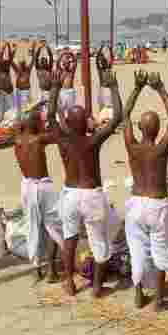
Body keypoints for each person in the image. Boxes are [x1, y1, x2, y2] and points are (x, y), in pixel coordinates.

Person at [50, 65, 123, 298]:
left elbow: (51, 115)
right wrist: (113, 88)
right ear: (87, 123)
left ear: (68, 124)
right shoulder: (93, 141)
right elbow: (117, 118)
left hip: (71, 194)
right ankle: (97, 287)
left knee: (70, 238)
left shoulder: (63, 140)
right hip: (92, 195)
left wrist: (54, 88)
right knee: (98, 240)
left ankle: (69, 283)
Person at [123, 71, 168, 310]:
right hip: (157, 205)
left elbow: (124, 114)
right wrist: (160, 88)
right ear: (157, 130)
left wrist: (136, 88)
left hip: (136, 203)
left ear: (140, 128)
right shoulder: (160, 150)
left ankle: (138, 294)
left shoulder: (133, 146)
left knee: (137, 251)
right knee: (160, 252)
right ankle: (157, 299)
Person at [13, 98, 63, 281]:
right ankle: (51, 269)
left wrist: (35, 107)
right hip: (43, 187)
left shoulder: (17, 137)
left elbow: (20, 121)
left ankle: (36, 267)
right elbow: (58, 134)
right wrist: (52, 112)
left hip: (26, 186)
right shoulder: (39, 139)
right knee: (54, 226)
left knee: (32, 227)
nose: (42, 123)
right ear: (34, 124)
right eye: (39, 121)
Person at [9, 42, 34, 111]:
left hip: (25, 91)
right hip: (18, 91)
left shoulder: (27, 69)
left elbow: (33, 60)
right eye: (20, 63)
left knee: (25, 109)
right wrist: (14, 50)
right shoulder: (18, 70)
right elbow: (10, 61)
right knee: (18, 109)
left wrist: (32, 50)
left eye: (22, 63)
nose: (21, 64)